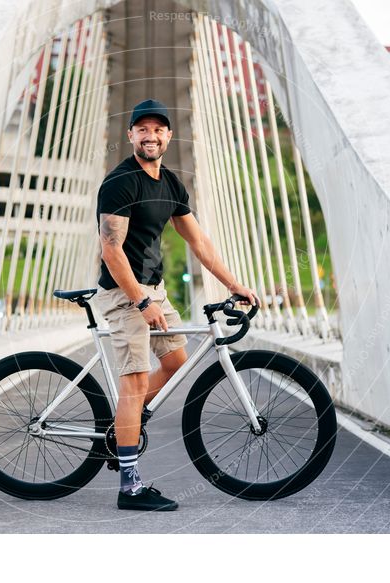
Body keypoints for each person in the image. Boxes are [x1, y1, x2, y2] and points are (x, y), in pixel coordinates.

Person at [93, 99, 259, 511]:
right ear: (130, 135)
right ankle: (129, 487)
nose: (151, 136)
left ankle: (125, 424)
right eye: (142, 129)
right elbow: (111, 251)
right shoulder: (120, 182)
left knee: (176, 361)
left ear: (169, 136)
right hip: (124, 291)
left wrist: (235, 284)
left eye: (159, 129)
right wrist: (140, 299)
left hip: (154, 289)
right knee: (134, 382)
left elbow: (199, 242)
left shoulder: (170, 184)